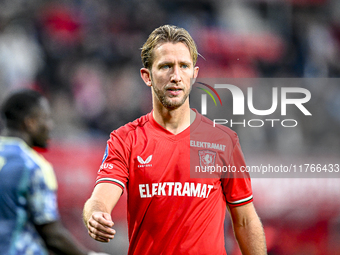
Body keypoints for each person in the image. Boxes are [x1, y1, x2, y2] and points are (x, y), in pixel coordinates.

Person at [83, 25, 267, 255]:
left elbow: (245, 221)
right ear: (147, 76)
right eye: (166, 66)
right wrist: (96, 215)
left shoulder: (224, 141)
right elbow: (99, 198)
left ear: (194, 73)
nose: (176, 76)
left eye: (184, 66)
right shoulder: (125, 140)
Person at [0, 89, 109, 255]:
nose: (50, 125)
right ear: (30, 122)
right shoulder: (33, 166)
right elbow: (51, 234)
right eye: (45, 118)